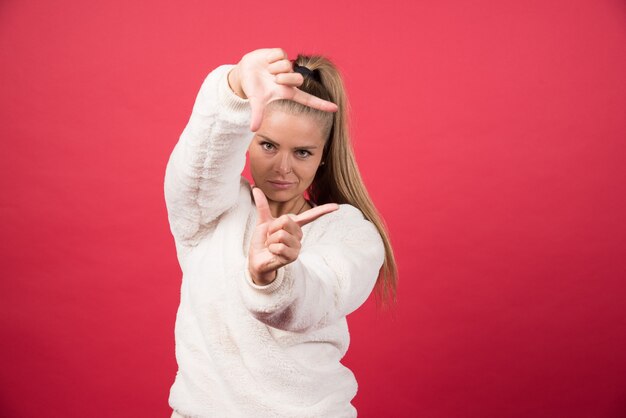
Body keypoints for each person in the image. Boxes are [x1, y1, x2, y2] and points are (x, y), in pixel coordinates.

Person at [164, 47, 397, 418]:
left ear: (323, 155)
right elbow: (198, 167)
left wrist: (271, 276)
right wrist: (234, 86)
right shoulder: (208, 213)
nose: (282, 168)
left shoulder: (350, 234)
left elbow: (316, 296)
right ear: (247, 138)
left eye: (302, 152)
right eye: (268, 145)